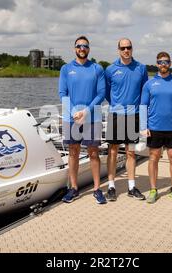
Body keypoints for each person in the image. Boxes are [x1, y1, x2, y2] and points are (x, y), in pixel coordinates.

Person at [58, 35, 107, 204]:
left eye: (85, 46)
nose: (82, 48)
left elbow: (101, 94)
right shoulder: (66, 69)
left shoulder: (97, 68)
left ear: (89, 49)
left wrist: (86, 111)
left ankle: (97, 189)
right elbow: (63, 93)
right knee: (73, 152)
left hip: (91, 117)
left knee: (93, 152)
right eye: (79, 46)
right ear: (74, 48)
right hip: (71, 117)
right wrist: (73, 111)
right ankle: (74, 188)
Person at [140, 52, 172, 203]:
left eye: (166, 62)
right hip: (154, 128)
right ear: (157, 63)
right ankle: (153, 190)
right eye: (160, 62)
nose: (163, 64)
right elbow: (143, 105)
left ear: (170, 63)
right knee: (153, 158)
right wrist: (143, 126)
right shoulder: (149, 84)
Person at [104, 38, 148, 201]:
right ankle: (111, 186)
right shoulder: (110, 69)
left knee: (130, 152)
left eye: (128, 47)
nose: (126, 50)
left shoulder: (141, 68)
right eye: (123, 48)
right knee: (113, 151)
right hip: (116, 114)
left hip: (133, 115)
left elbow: (144, 92)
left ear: (132, 49)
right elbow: (107, 93)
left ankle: (131, 187)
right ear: (118, 50)